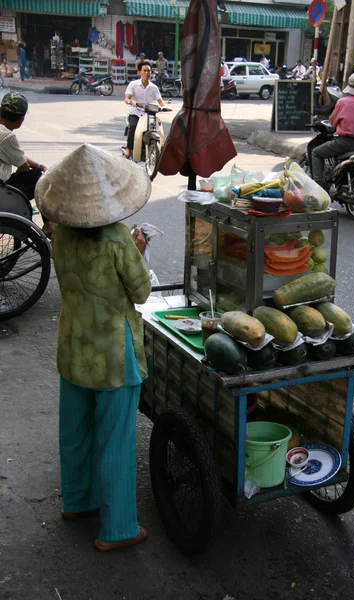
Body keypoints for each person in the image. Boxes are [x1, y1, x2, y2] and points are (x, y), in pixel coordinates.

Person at [35, 143, 152, 552]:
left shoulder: (60, 234)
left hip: (73, 346)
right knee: (116, 439)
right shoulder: (119, 238)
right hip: (112, 355)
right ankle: (117, 528)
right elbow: (140, 293)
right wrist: (138, 250)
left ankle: (77, 502)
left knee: (76, 430)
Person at [0, 92, 53, 236]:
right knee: (37, 177)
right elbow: (23, 166)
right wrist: (39, 169)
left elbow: (17, 155)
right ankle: (49, 223)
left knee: (37, 170)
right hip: (1, 192)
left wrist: (40, 165)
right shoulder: (6, 136)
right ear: (21, 119)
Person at [311, 72, 354, 190]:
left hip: (344, 143)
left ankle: (318, 187)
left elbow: (333, 121)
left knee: (316, 153)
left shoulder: (343, 102)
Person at [123, 60, 167, 160]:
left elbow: (160, 101)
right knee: (133, 127)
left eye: (149, 71)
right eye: (144, 70)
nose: (147, 73)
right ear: (140, 72)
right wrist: (131, 102)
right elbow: (127, 98)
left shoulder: (154, 87)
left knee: (157, 129)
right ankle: (129, 150)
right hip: (136, 113)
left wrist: (164, 107)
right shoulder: (133, 84)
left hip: (150, 114)